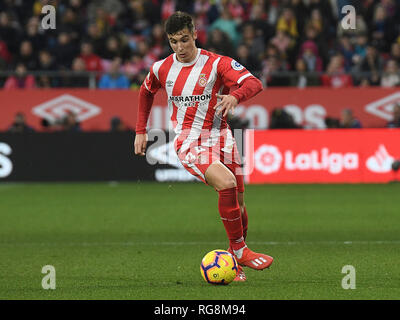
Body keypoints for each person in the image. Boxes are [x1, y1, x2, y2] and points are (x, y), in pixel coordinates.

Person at [134, 12, 273, 282]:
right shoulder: (161, 68)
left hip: (222, 136)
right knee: (226, 182)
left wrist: (235, 96)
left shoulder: (216, 63)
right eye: (173, 42)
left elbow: (253, 83)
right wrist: (141, 130)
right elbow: (145, 92)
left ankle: (234, 265)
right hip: (189, 139)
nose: (180, 48)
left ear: (195, 34)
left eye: (184, 40)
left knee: (240, 205)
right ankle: (240, 250)